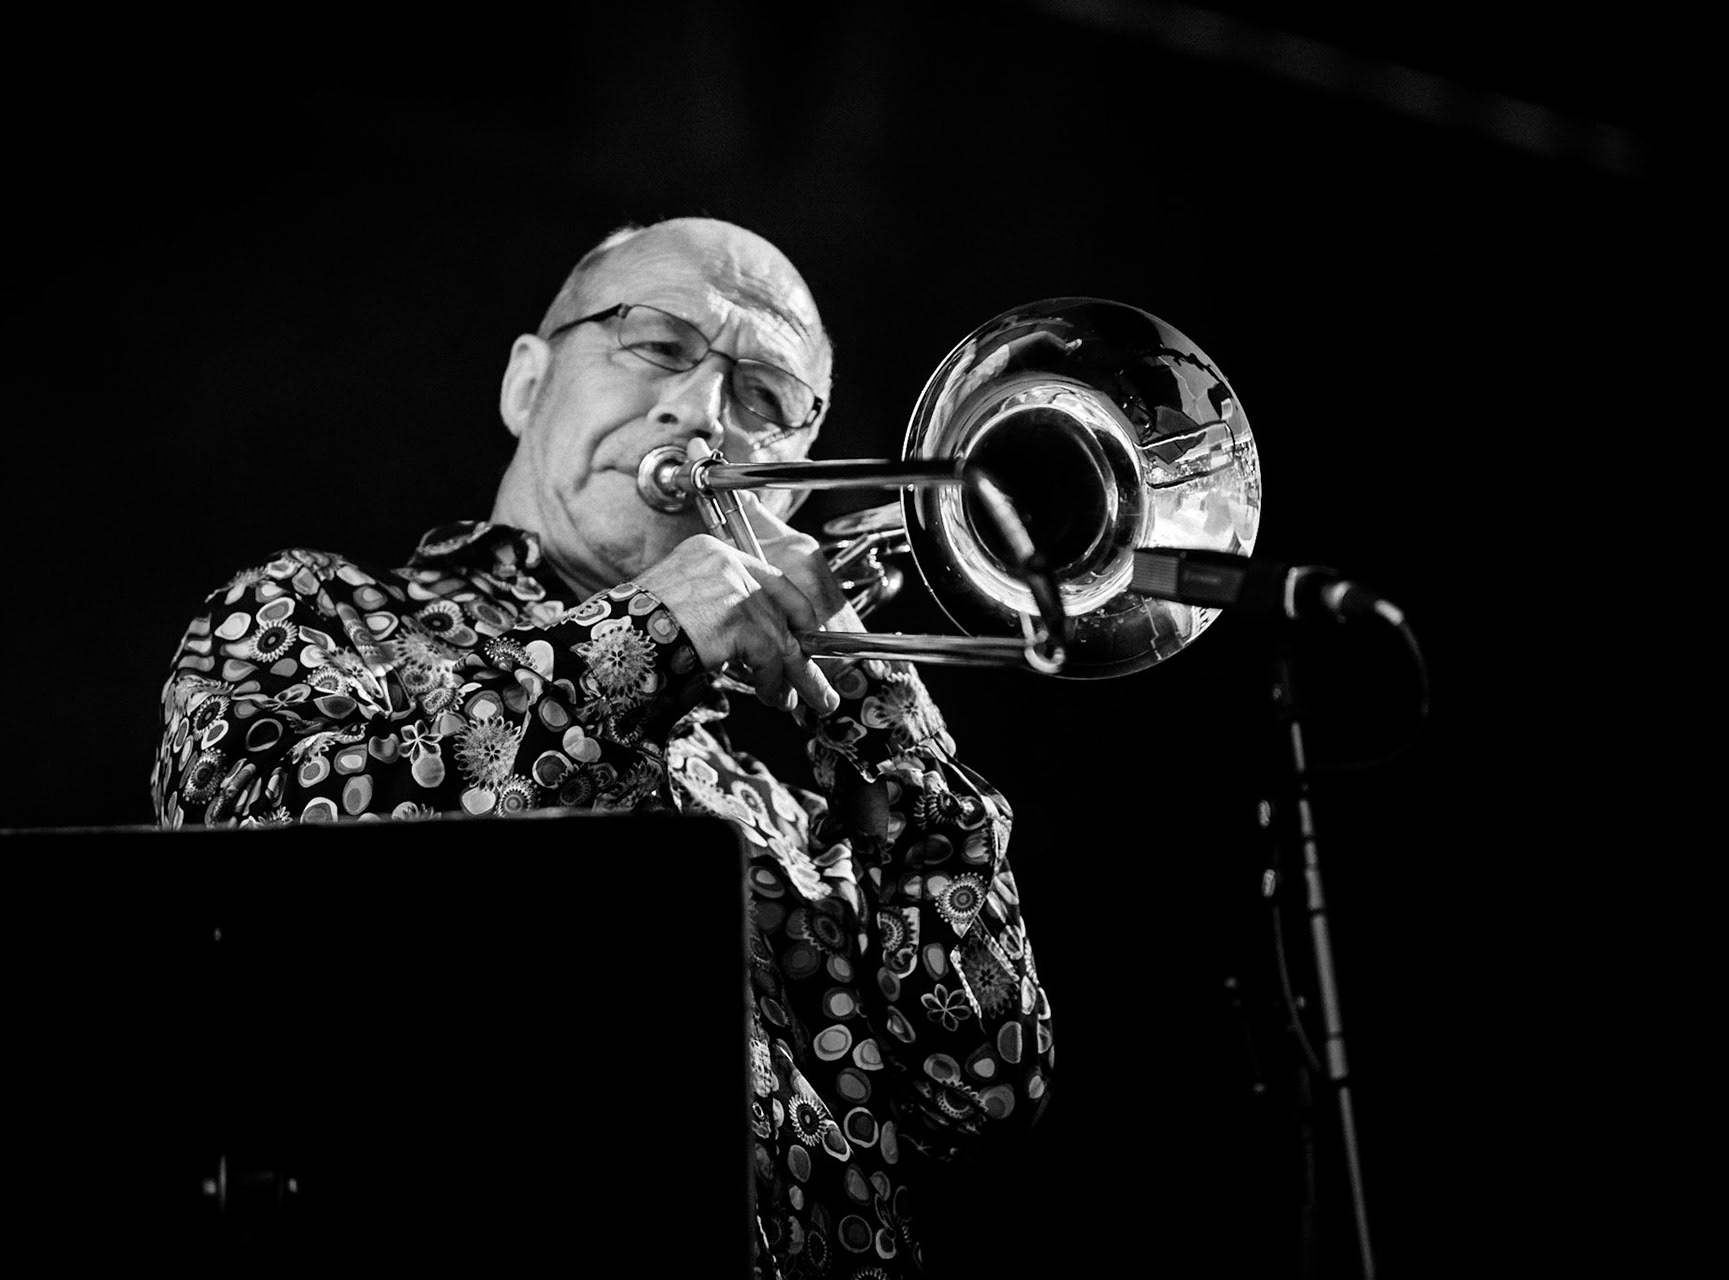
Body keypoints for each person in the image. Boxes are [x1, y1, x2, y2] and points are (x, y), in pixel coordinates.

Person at [152, 217, 1054, 1276]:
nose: (702, 413)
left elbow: (981, 1093)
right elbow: (268, 883)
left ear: (795, 487)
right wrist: (652, 635)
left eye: (764, 396)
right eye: (659, 343)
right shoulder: (314, 612)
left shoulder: (790, 808)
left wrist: (887, 720)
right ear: (527, 383)